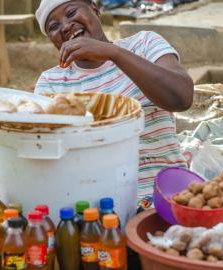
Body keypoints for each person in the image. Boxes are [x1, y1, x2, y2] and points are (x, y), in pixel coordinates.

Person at [35, 0, 194, 209]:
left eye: (71, 12)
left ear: (95, 8)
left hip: (168, 197)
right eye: (53, 27)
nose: (65, 26)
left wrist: (113, 53)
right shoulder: (51, 83)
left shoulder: (144, 44)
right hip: (98, 209)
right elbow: (44, 151)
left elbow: (181, 98)